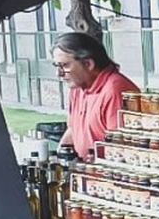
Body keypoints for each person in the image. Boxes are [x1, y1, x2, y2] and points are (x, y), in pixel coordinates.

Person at [51, 32, 140, 160]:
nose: (58, 73)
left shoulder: (116, 90)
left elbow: (122, 149)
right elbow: (73, 129)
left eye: (64, 65)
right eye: (57, 66)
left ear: (88, 64)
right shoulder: (77, 86)